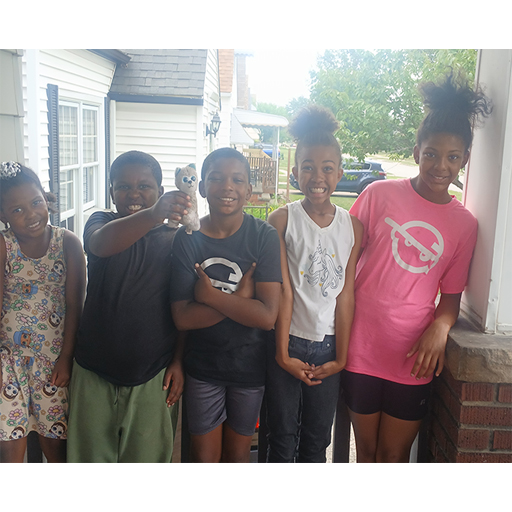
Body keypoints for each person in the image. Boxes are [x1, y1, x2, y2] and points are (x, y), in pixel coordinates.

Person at [341, 72, 493, 462]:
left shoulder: (465, 224)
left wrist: (440, 328)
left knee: (392, 457)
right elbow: (342, 259)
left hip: (414, 353)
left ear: (465, 160)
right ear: (416, 152)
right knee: (368, 454)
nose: (441, 166)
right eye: (431, 154)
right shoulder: (378, 195)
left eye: (453, 157)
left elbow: (451, 296)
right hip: (360, 344)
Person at [66, 150, 190, 463]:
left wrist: (178, 360)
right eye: (123, 187)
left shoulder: (177, 238)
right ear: (111, 192)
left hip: (153, 374)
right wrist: (152, 214)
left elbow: (184, 306)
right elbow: (99, 246)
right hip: (93, 371)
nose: (133, 194)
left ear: (160, 192)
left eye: (144, 186)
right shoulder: (101, 222)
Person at [170, 147, 282, 463]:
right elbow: (182, 318)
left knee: (238, 457)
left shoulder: (263, 236)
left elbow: (266, 316)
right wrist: (241, 300)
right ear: (202, 187)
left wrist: (210, 297)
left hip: (249, 367)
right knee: (205, 460)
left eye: (237, 179)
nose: (227, 187)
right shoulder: (187, 239)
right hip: (202, 368)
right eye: (216, 178)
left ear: (249, 189)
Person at [265, 105, 363, 463]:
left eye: (326, 168)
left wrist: (341, 357)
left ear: (339, 173)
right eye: (307, 167)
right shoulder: (281, 220)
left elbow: (346, 293)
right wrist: (281, 354)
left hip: (327, 349)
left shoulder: (352, 227)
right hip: (287, 342)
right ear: (295, 173)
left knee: (317, 439)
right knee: (281, 435)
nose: (316, 176)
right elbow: (284, 290)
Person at [0, 162, 86, 463]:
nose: (31, 214)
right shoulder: (4, 246)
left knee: (56, 439)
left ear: (45, 198)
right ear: (3, 217)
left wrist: (66, 357)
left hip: (53, 361)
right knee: (10, 443)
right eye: (17, 210)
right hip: (8, 360)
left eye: (35, 202)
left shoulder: (68, 243)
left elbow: (76, 306)